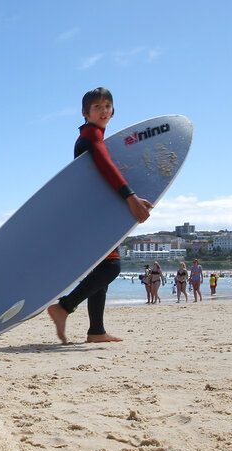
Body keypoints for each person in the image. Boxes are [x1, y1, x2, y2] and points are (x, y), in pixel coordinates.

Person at [47, 88, 153, 343]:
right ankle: (64, 307)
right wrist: (131, 197)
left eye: (107, 106)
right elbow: (106, 167)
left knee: (101, 271)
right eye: (97, 107)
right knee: (111, 266)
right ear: (86, 113)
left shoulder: (93, 136)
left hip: (93, 213)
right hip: (92, 216)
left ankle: (96, 331)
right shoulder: (91, 135)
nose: (104, 110)